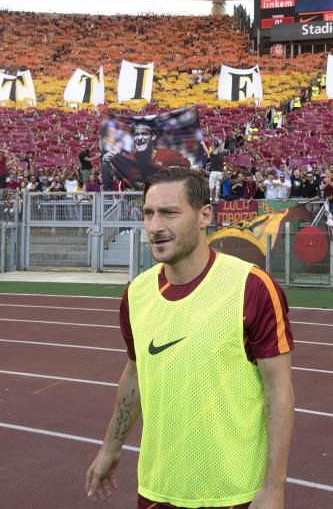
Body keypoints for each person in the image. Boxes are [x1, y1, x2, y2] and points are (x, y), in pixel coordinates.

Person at [86, 167, 294, 509]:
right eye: (149, 214)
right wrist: (111, 447)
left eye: (169, 213)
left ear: (204, 216)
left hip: (234, 493)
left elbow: (279, 390)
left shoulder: (251, 288)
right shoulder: (136, 293)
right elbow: (135, 375)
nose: (155, 227)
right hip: (156, 490)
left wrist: (274, 488)